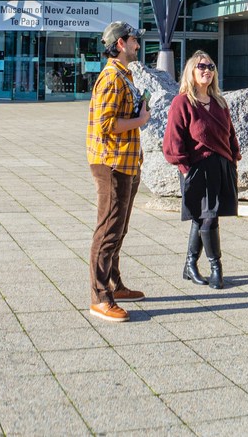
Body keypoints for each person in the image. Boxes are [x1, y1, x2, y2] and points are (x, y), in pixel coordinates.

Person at [84, 20, 148, 322]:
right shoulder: (111, 79)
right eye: (134, 40)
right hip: (112, 164)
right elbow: (108, 125)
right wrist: (141, 120)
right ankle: (100, 297)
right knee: (108, 229)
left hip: (125, 162)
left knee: (118, 229)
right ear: (120, 43)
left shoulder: (124, 75)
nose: (138, 44)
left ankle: (114, 284)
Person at [163, 49, 239, 289]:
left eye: (210, 67)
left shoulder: (219, 102)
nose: (207, 71)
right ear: (191, 71)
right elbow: (173, 139)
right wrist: (185, 169)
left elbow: (230, 134)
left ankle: (189, 265)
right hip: (196, 168)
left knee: (202, 217)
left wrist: (233, 159)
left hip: (220, 166)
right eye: (201, 67)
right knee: (208, 218)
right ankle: (216, 268)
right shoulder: (182, 102)